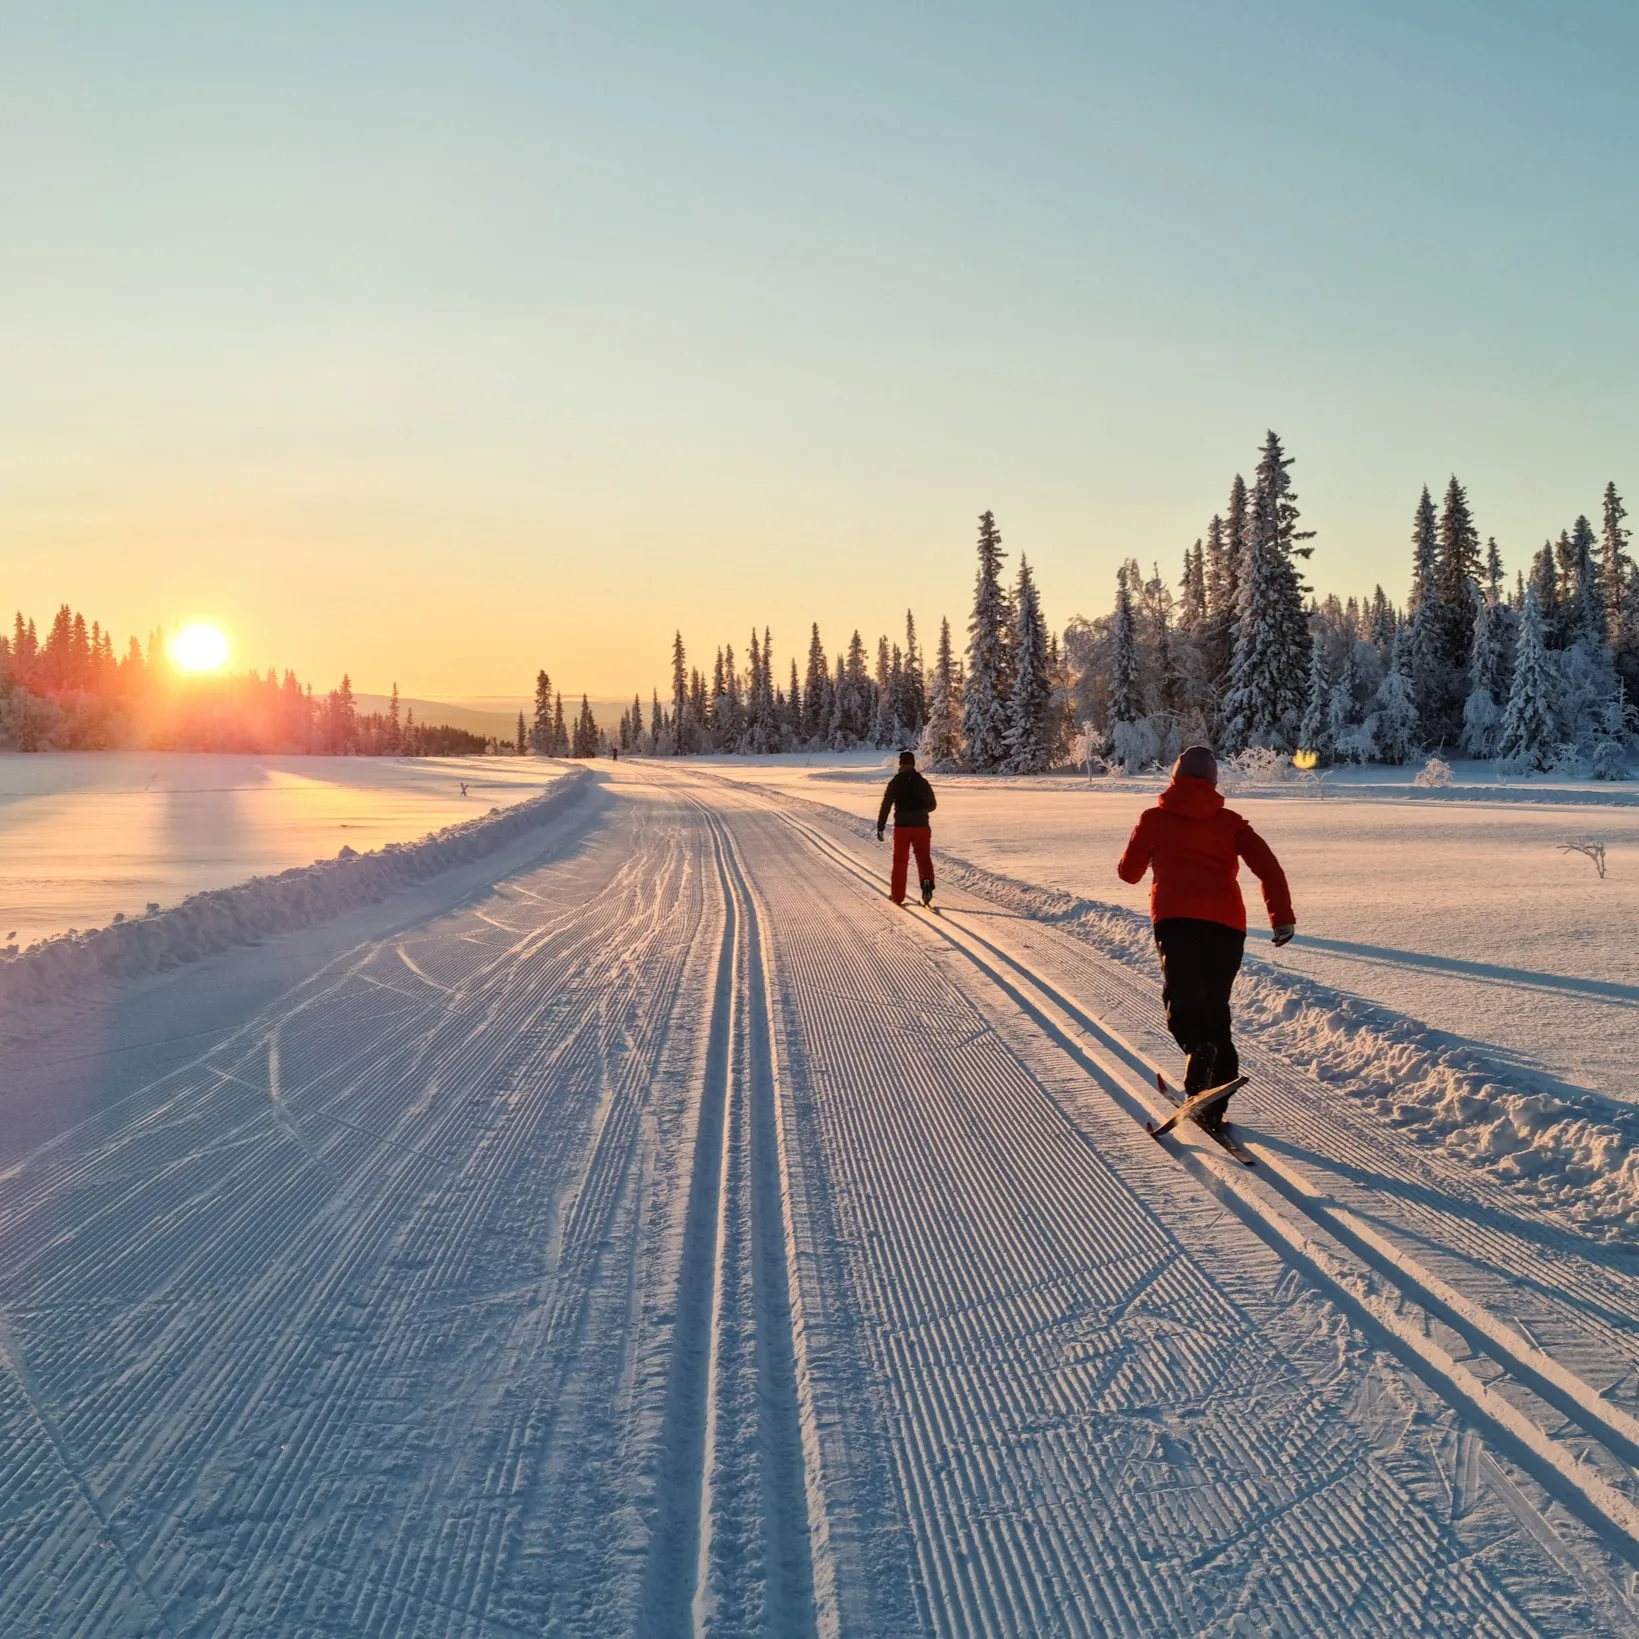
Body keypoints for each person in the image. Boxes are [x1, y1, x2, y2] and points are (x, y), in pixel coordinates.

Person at [1117, 745, 1295, 1132]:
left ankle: (1198, 1058)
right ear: (1214, 782)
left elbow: (1128, 874)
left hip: (1175, 919)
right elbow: (1270, 869)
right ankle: (1213, 1101)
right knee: (1216, 1006)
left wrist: (1152, 850)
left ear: (1174, 779)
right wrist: (1281, 918)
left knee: (1182, 1000)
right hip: (1226, 924)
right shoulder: (1231, 823)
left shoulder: (1152, 819)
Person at [876, 750, 938, 906]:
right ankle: (926, 883)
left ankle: (897, 896)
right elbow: (932, 805)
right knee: (924, 859)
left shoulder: (896, 782)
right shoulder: (922, 782)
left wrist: (881, 826)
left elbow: (886, 804)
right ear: (913, 764)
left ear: (901, 764)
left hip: (902, 827)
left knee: (900, 861)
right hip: (922, 827)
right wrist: (921, 810)